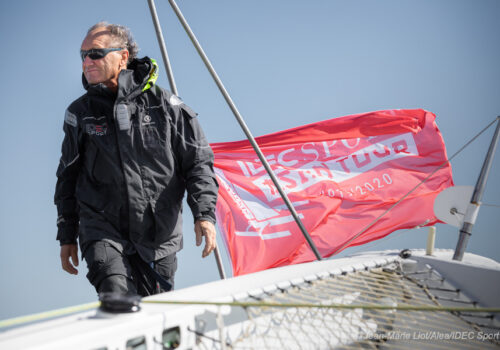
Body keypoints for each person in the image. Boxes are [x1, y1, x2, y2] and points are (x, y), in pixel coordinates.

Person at [55, 22, 218, 296]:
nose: (87, 61)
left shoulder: (167, 106)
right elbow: (67, 178)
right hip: (102, 231)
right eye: (83, 55)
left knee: (157, 318)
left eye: (95, 53)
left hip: (159, 238)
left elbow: (198, 163)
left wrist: (204, 214)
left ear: (123, 57)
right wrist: (67, 235)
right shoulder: (79, 113)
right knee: (117, 298)